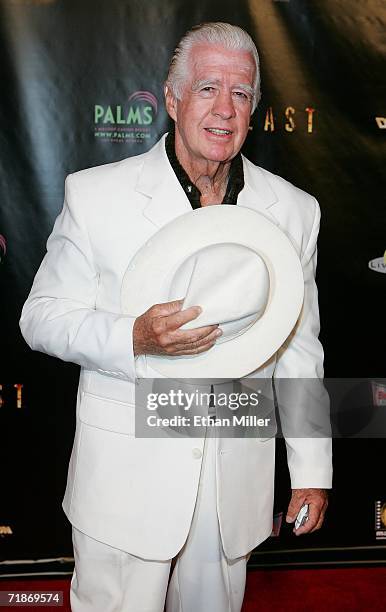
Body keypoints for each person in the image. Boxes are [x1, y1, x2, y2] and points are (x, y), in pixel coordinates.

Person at [20, 22, 332, 612]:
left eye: (241, 93)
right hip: (125, 483)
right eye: (208, 88)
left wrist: (313, 468)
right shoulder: (97, 195)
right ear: (171, 99)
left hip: (231, 489)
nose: (224, 109)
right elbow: (41, 317)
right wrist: (132, 336)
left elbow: (300, 349)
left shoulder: (293, 211)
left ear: (254, 109)